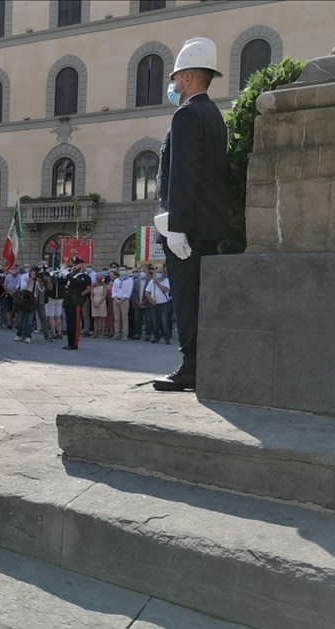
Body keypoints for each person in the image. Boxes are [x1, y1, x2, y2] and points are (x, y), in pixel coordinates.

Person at [153, 37, 228, 391]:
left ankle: (190, 366)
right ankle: (200, 363)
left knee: (186, 297)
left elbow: (183, 174)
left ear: (185, 78)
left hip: (187, 228)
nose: (172, 86)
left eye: (174, 78)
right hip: (208, 226)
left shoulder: (186, 114)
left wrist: (177, 227)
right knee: (201, 298)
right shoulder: (214, 115)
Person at [61, 256, 91, 350]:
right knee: (69, 324)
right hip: (68, 301)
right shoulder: (71, 275)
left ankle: (74, 344)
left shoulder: (83, 276)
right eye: (74, 264)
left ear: (82, 265)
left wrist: (67, 275)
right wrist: (61, 276)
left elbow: (75, 282)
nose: (75, 266)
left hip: (76, 302)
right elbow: (62, 283)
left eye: (77, 264)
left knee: (75, 324)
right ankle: (69, 343)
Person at [145, 270, 173, 345]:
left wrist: (157, 283)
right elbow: (147, 292)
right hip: (154, 304)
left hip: (164, 304)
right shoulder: (151, 282)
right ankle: (156, 337)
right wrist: (151, 299)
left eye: (160, 272)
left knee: (164, 321)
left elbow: (166, 290)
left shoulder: (166, 281)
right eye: (157, 272)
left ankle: (167, 337)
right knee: (155, 322)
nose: (158, 274)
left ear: (164, 273)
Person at [111, 267, 132, 340]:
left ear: (126, 271)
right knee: (116, 318)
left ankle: (124, 334)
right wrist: (116, 298)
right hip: (116, 300)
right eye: (121, 270)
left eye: (124, 270)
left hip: (124, 300)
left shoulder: (129, 280)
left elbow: (129, 291)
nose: (122, 271)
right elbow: (113, 290)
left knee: (124, 318)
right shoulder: (116, 280)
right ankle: (116, 333)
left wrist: (122, 299)